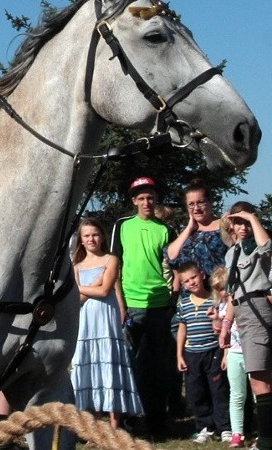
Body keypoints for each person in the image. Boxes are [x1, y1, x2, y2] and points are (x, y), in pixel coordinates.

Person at [220, 202, 272, 450]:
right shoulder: (233, 252)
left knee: (260, 379)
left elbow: (266, 246)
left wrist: (252, 219)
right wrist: (225, 324)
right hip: (241, 312)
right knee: (258, 377)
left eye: (245, 222)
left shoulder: (261, 246)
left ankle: (269, 441)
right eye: (237, 221)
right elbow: (233, 291)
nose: (242, 227)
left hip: (257, 309)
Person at [109, 176, 176, 438]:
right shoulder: (122, 225)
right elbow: (114, 266)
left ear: (156, 199)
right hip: (132, 305)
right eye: (141, 198)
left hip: (160, 305)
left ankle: (158, 423)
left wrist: (172, 299)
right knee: (132, 365)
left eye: (150, 197)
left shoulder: (165, 229)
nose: (146, 202)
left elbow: (174, 267)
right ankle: (129, 423)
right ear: (134, 201)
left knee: (159, 368)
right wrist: (120, 304)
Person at [70, 218, 143, 430]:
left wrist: (84, 288)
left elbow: (104, 291)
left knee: (109, 363)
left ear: (102, 236)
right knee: (88, 364)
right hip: (86, 320)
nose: (91, 239)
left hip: (106, 318)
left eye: (95, 234)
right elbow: (79, 299)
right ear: (81, 240)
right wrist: (94, 283)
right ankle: (93, 428)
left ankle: (115, 425)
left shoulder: (111, 260)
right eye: (86, 236)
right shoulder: (76, 266)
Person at [176, 262, 231, 443]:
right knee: (196, 392)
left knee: (218, 390)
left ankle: (224, 427)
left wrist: (224, 351)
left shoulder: (215, 300)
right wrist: (179, 355)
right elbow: (182, 329)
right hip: (192, 353)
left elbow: (222, 326)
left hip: (213, 351)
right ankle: (204, 427)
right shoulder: (184, 303)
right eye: (186, 281)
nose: (191, 282)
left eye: (193, 277)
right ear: (182, 285)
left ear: (202, 275)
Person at [211, 266, 250, 448]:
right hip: (234, 351)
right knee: (236, 394)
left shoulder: (241, 301)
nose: (223, 292)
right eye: (219, 289)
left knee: (260, 393)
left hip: (250, 349)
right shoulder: (220, 306)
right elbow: (221, 332)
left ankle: (270, 429)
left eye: (224, 287)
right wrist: (225, 355)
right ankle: (236, 434)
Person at [166, 179, 229, 278]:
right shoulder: (187, 233)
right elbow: (171, 256)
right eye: (191, 204)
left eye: (201, 202)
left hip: (218, 290)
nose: (196, 208)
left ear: (210, 202)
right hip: (191, 292)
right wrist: (189, 228)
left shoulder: (225, 226)